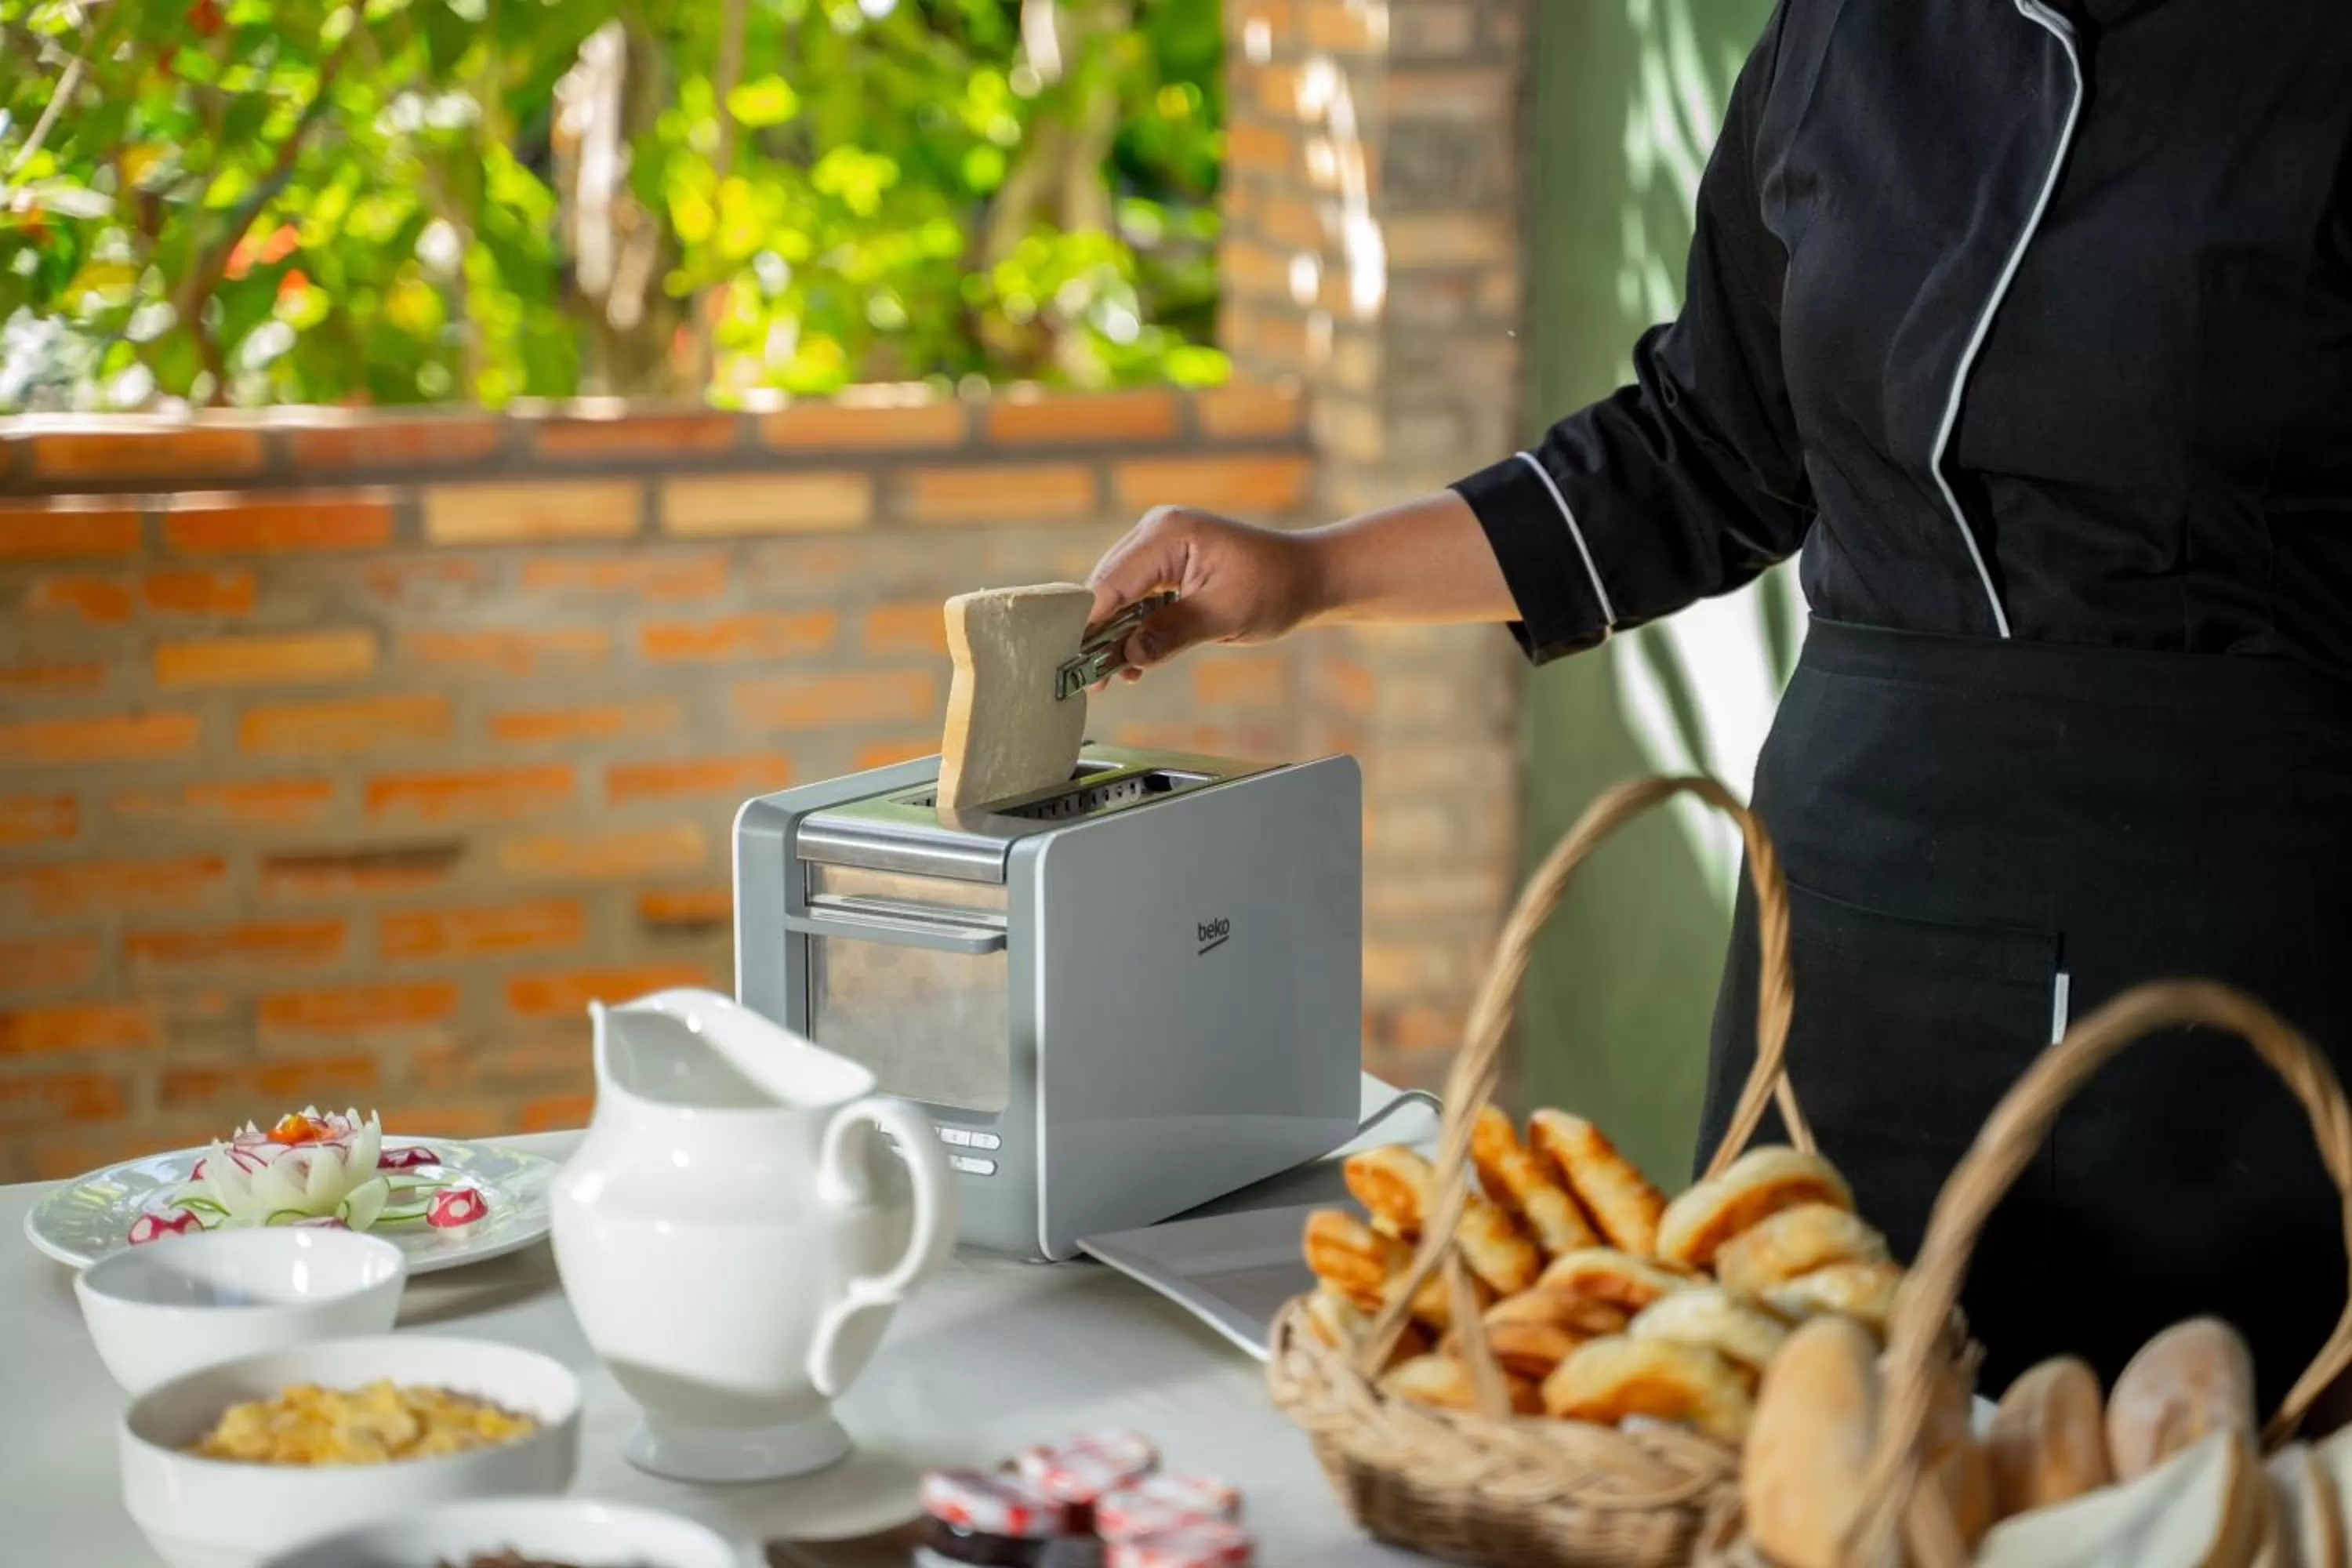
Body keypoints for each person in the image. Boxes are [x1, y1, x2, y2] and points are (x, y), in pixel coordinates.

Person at [1085, 0, 2352, 1406]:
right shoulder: (1848, 36)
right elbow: (1704, 446)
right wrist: (1311, 575)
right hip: (1855, 901)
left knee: (2197, 1471)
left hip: (2240, 918)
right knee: (1784, 1415)